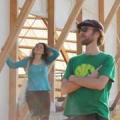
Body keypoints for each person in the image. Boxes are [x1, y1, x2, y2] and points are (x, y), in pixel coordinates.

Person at [62, 19, 116, 120]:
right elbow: (64, 89)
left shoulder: (107, 59)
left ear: (97, 34)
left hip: (96, 113)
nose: (81, 33)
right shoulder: (73, 61)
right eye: (80, 30)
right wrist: (89, 78)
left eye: (85, 29)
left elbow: (99, 85)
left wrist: (73, 78)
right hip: (72, 114)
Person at [6, 42, 59, 120]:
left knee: (45, 117)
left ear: (43, 51)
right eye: (36, 46)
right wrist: (4, 54)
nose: (38, 48)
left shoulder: (46, 61)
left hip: (44, 93)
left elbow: (56, 54)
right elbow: (12, 65)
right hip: (31, 93)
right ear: (34, 49)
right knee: (35, 117)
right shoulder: (27, 61)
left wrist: (47, 47)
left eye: (41, 47)